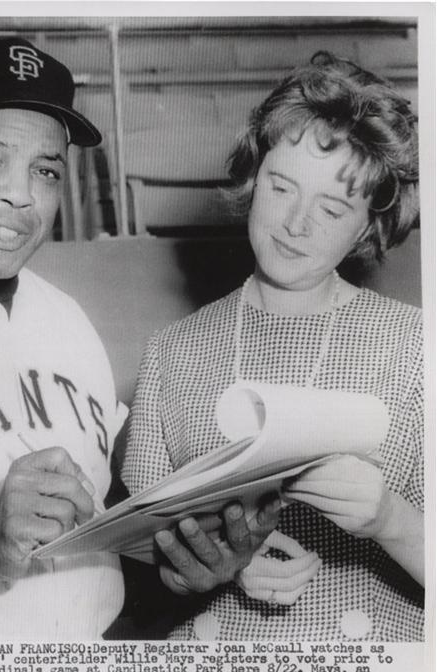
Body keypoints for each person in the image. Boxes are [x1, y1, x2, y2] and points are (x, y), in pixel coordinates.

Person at [0, 35, 278, 639]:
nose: (21, 194)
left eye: (46, 170)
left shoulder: (69, 319)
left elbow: (93, 567)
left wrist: (183, 572)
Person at [122, 51, 423, 642]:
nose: (296, 223)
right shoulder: (172, 351)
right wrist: (216, 568)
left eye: (332, 207)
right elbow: (135, 549)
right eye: (281, 186)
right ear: (253, 179)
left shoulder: (415, 347)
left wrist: (391, 518)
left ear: (367, 226)